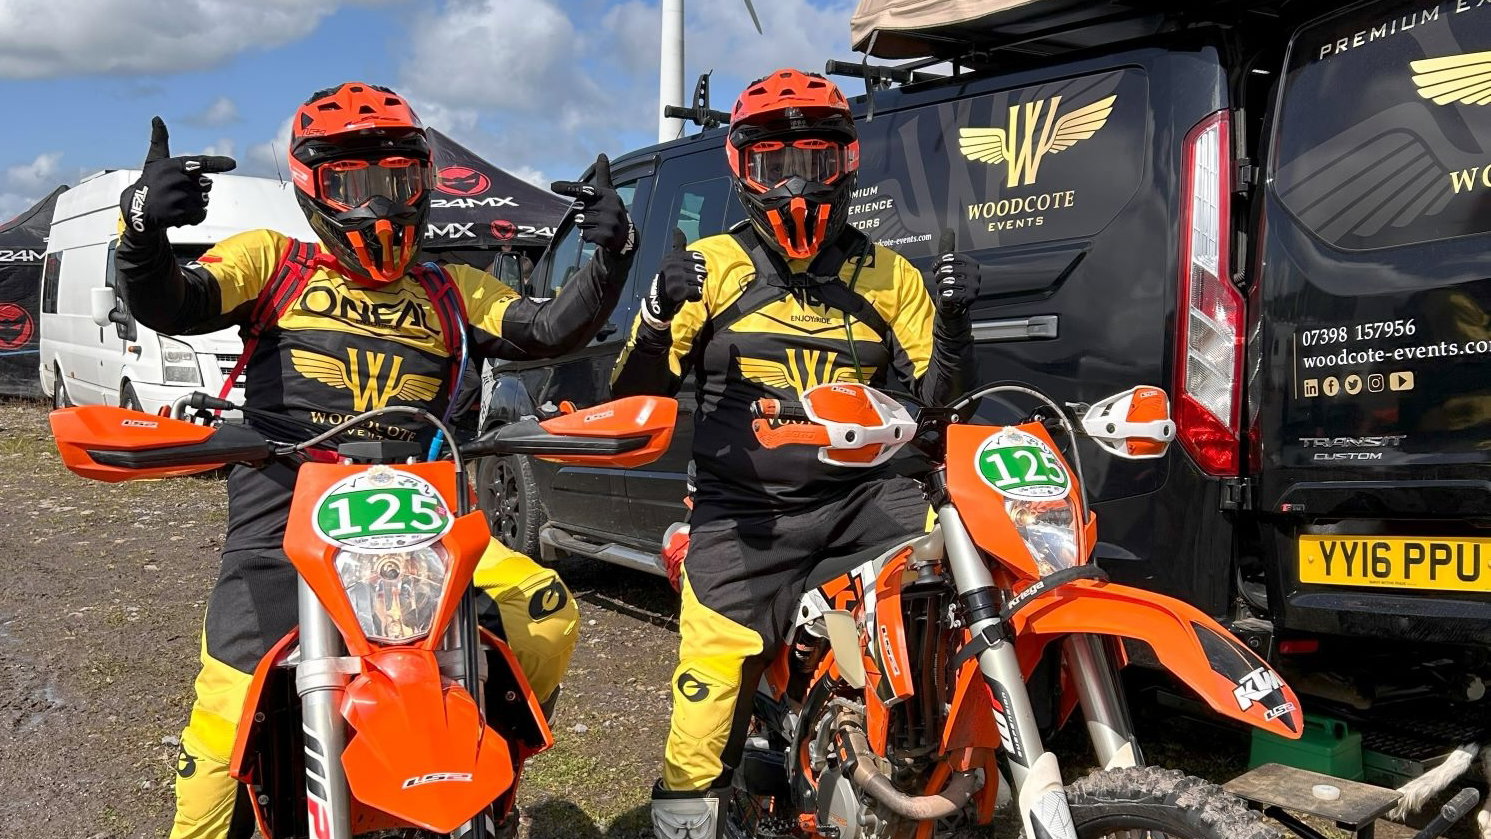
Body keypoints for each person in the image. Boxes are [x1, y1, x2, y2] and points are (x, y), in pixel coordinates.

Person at [113, 82, 636, 839]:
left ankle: (500, 767)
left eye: (399, 181)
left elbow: (548, 325)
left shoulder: (450, 287)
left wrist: (610, 256)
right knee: (218, 734)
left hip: (428, 530)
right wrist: (141, 231)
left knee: (544, 613)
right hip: (282, 535)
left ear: (424, 184)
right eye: (352, 185)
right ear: (311, 188)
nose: (381, 206)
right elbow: (173, 300)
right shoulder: (271, 261)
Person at [609, 68, 980, 838]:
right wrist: (653, 312)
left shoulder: (889, 274)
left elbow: (938, 408)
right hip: (743, 512)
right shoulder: (709, 265)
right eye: (774, 167)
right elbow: (635, 396)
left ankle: (916, 777)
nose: (794, 187)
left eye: (813, 164)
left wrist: (952, 322)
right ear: (742, 169)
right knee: (709, 690)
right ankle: (687, 814)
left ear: (846, 165)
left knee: (938, 624)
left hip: (867, 501)